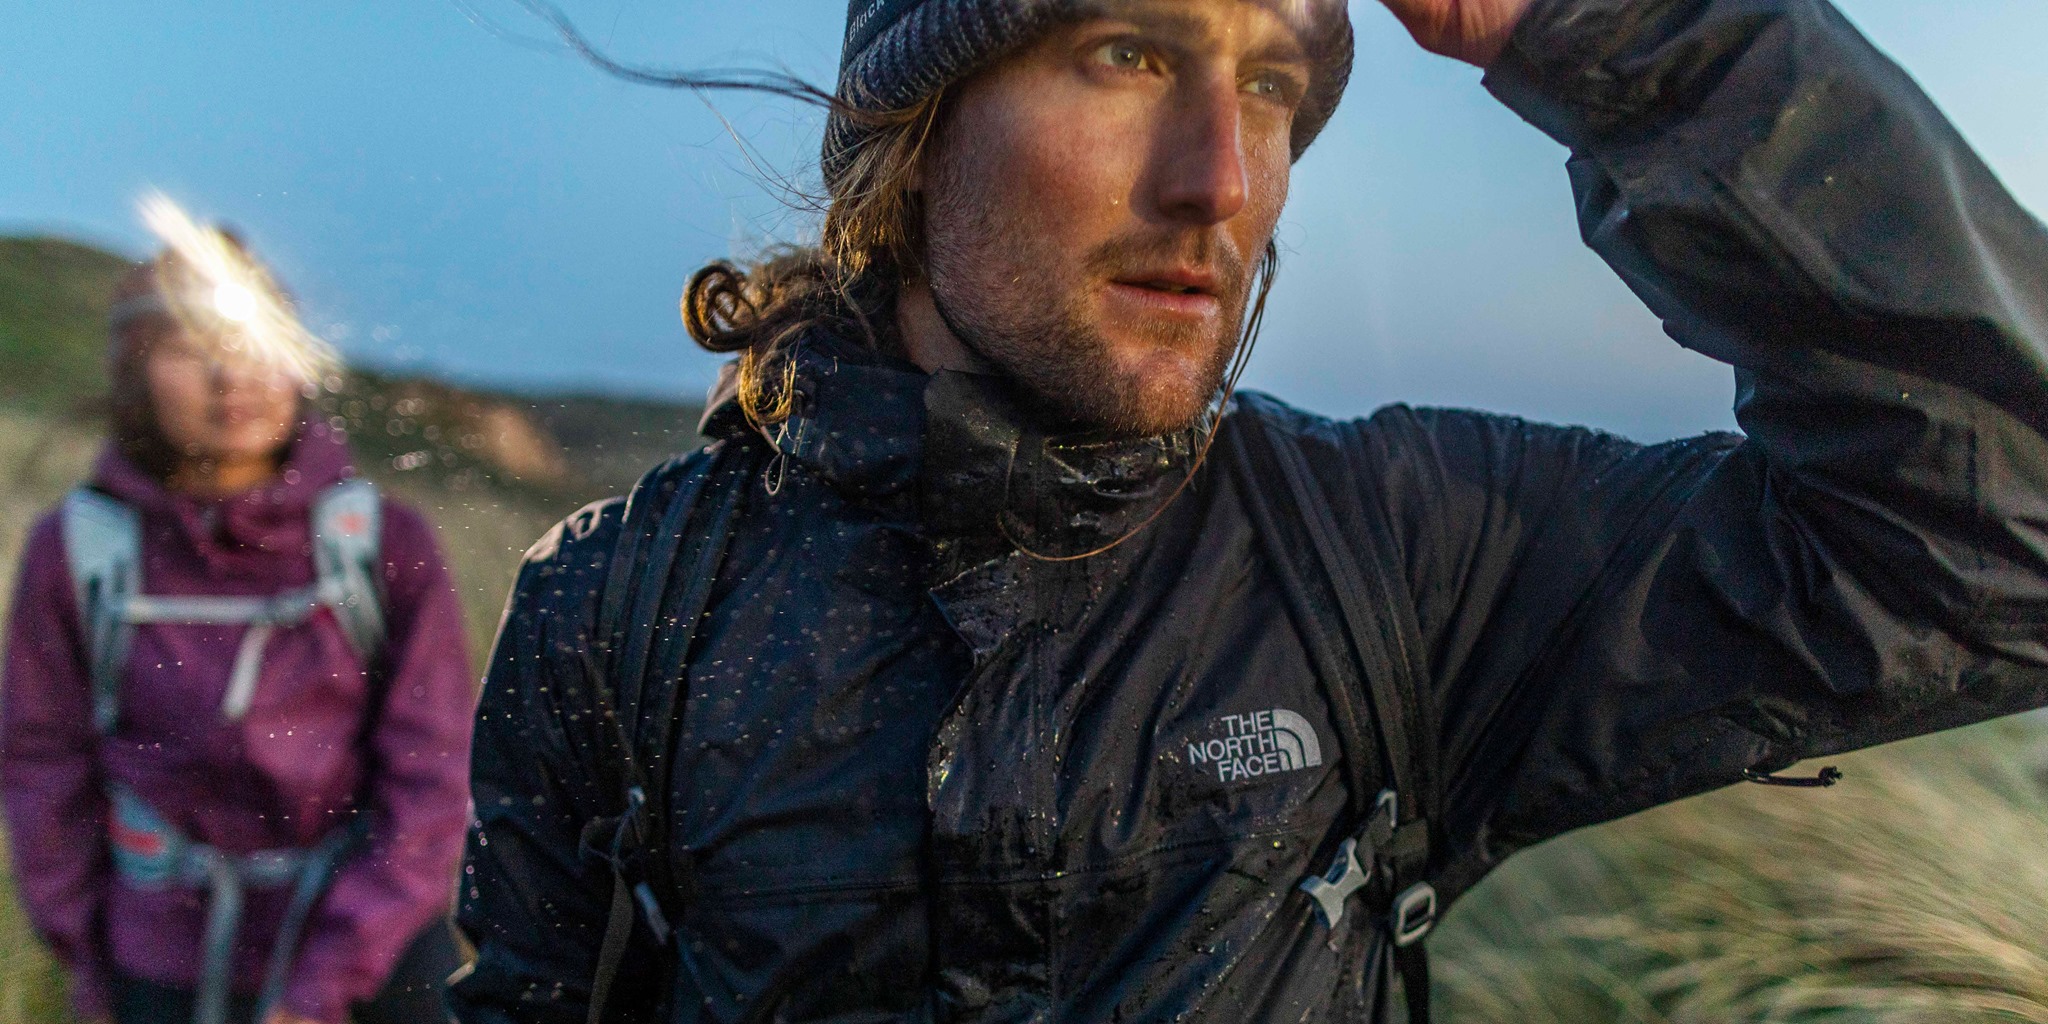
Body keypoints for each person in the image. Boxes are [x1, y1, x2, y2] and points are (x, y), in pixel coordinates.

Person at [453, 0, 2048, 1020]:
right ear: (916, 135)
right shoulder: (620, 608)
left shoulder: (1402, 555)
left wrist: (1624, 33)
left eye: (1273, 83)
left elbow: (2001, 535)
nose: (1221, 179)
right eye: (1128, 54)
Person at [2, 228, 476, 1024]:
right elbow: (44, 764)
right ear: (135, 372)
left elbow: (432, 782)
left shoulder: (382, 545)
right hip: (159, 963)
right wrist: (88, 960)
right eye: (190, 349)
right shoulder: (81, 549)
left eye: (256, 339)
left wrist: (322, 988)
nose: (232, 377)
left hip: (374, 955)